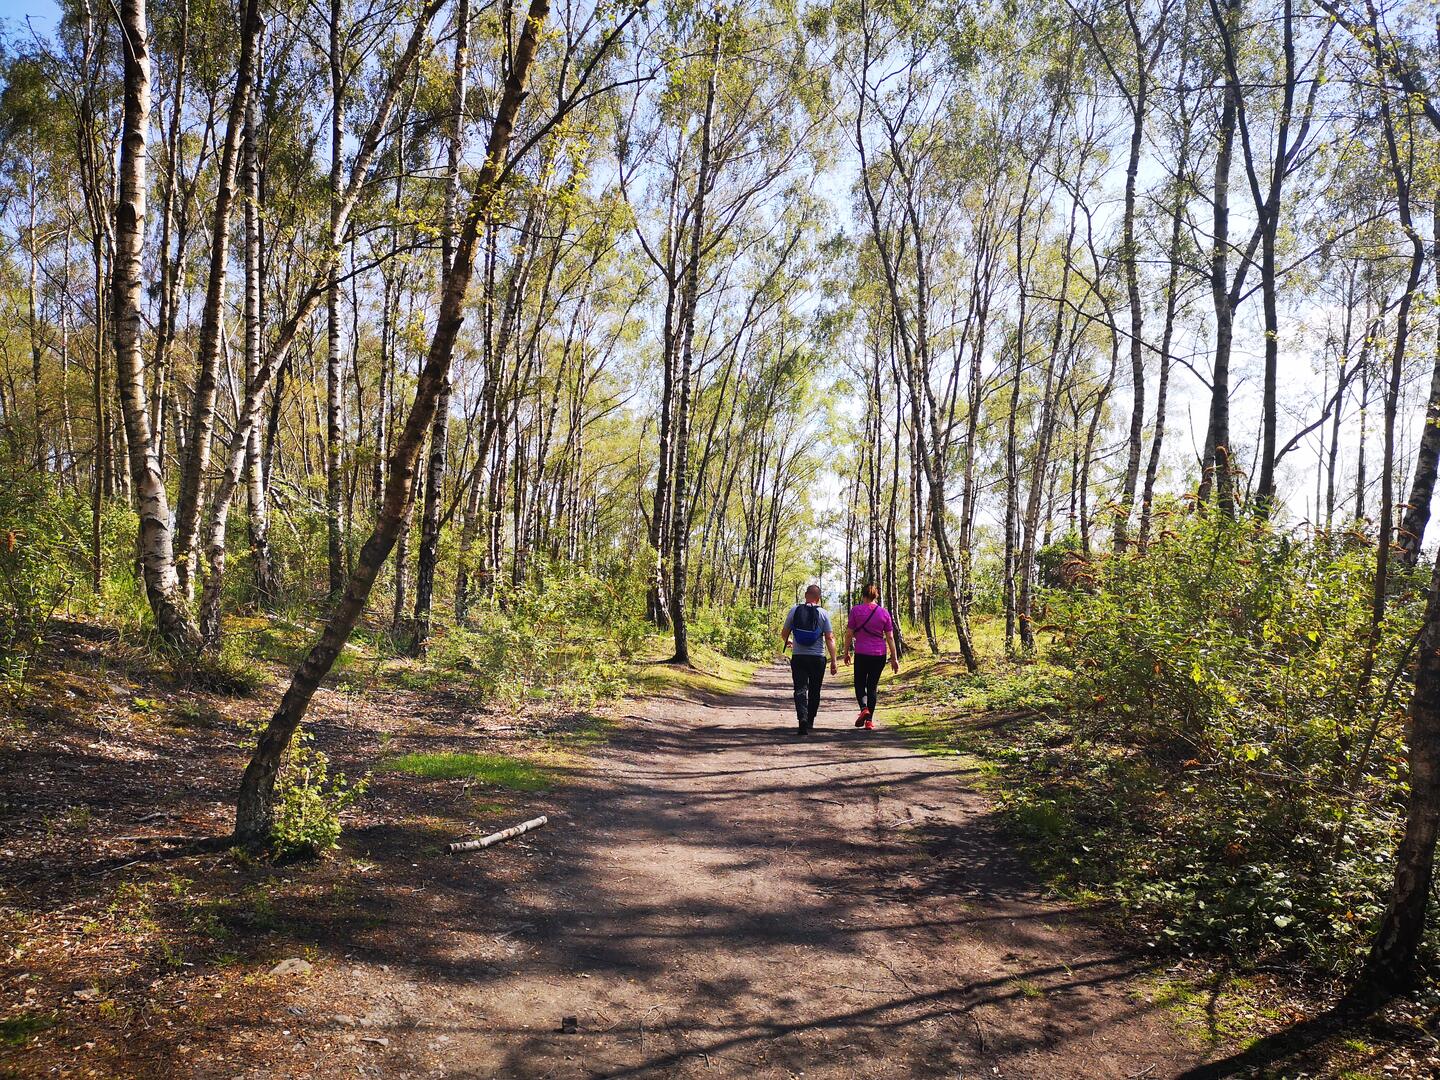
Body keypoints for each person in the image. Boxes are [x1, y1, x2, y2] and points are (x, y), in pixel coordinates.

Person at [781, 584, 837, 736]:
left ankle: (802, 719)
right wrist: (833, 660)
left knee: (800, 689)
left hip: (799, 657)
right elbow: (830, 638)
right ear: (818, 598)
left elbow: (784, 633)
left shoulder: (795, 610)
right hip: (818, 658)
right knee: (814, 690)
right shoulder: (823, 613)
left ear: (806, 595)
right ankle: (811, 719)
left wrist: (790, 641)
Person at [842, 583, 899, 730]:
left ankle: (864, 709)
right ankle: (869, 721)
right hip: (879, 654)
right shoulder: (884, 613)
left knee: (860, 684)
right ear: (876, 596)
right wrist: (894, 658)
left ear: (863, 595)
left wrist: (846, 652)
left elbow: (849, 634)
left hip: (862, 653)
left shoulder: (856, 610)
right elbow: (890, 637)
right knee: (872, 686)